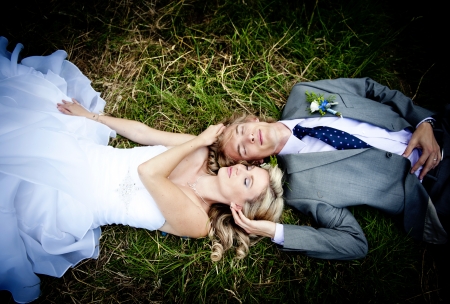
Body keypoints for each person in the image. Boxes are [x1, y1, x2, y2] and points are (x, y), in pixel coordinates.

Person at [0, 37, 284, 303]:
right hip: (85, 153)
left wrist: (198, 140)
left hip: (72, 201)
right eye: (248, 168)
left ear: (237, 207)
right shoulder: (200, 151)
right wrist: (93, 117)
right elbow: (145, 133)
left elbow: (148, 173)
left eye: (247, 182)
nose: (240, 170)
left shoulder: (199, 222)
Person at [214, 78, 449, 261]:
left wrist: (423, 122)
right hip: (432, 189)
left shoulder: (302, 94)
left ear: (252, 121)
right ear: (255, 163)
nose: (250, 139)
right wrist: (274, 231)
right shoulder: (300, 188)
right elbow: (354, 243)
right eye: (243, 150)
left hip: (441, 132)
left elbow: (369, 88)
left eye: (241, 131)